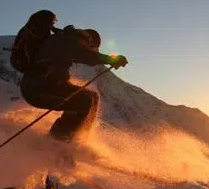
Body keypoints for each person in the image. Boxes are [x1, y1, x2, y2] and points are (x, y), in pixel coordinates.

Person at [11, 9, 128, 143]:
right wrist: (111, 59)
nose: (91, 50)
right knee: (84, 101)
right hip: (38, 89)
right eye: (92, 48)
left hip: (43, 85)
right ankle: (57, 141)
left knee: (92, 97)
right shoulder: (69, 40)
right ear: (90, 40)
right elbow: (84, 55)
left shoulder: (65, 39)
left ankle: (76, 138)